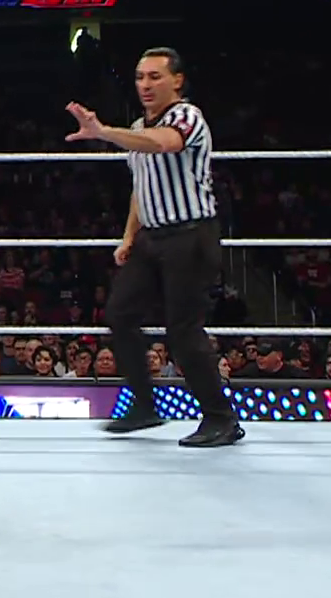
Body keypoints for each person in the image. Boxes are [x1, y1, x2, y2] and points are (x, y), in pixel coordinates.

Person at [64, 46, 242, 448]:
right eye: (140, 77)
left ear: (177, 80)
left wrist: (103, 132)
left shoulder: (187, 117)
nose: (145, 84)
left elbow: (162, 144)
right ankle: (144, 406)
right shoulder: (136, 127)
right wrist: (129, 236)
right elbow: (141, 187)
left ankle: (221, 418)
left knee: (183, 330)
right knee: (119, 313)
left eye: (155, 76)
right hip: (152, 236)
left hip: (190, 236)